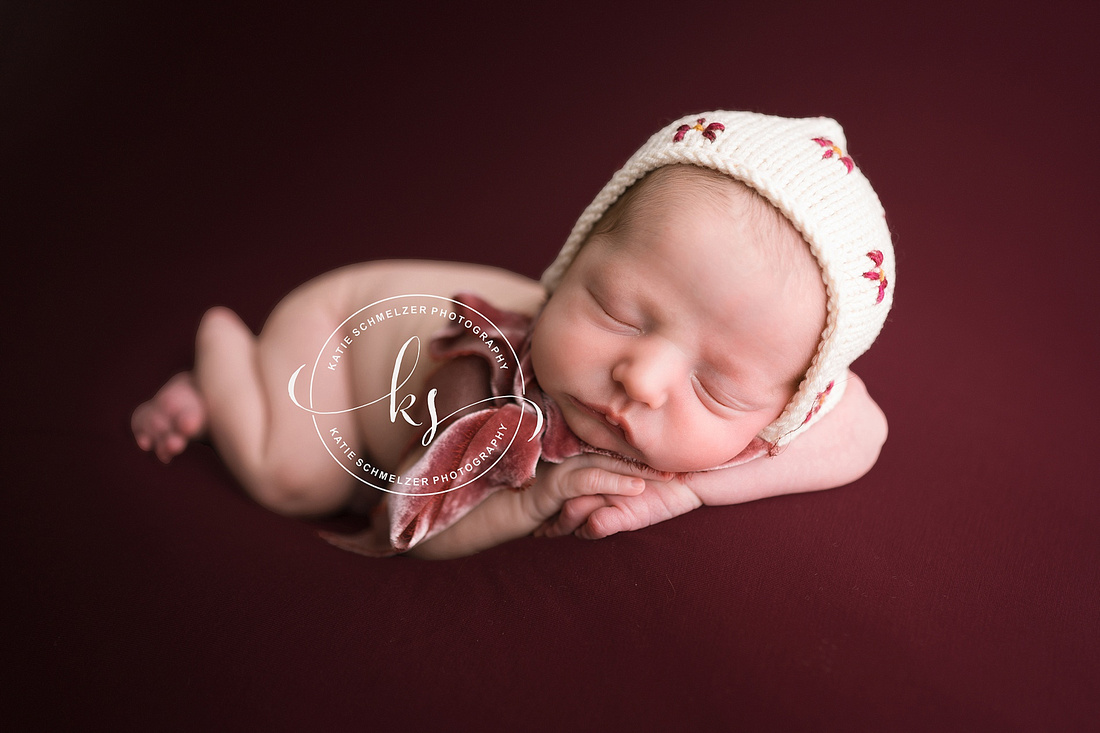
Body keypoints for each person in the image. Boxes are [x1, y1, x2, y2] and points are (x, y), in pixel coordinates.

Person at [132, 111, 895, 559]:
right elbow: (412, 523)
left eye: (717, 386)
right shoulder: (487, 389)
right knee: (298, 479)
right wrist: (527, 505)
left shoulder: (779, 395)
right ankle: (223, 357)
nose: (643, 378)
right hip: (333, 334)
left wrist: (690, 492)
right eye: (620, 311)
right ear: (570, 265)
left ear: (787, 409)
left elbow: (865, 427)